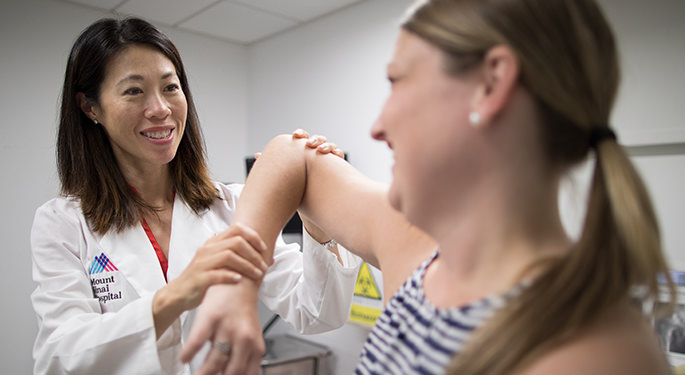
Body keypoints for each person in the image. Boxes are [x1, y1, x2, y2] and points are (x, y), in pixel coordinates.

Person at [184, 0, 677, 373]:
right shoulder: (416, 250)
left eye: (397, 82)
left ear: (490, 84)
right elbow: (290, 155)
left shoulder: (595, 349)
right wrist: (235, 283)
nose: (377, 126)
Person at [30, 17, 361, 375]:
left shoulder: (234, 205)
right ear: (90, 107)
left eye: (170, 87)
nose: (160, 108)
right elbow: (58, 357)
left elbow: (316, 314)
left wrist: (315, 220)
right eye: (134, 91)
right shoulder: (63, 224)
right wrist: (177, 295)